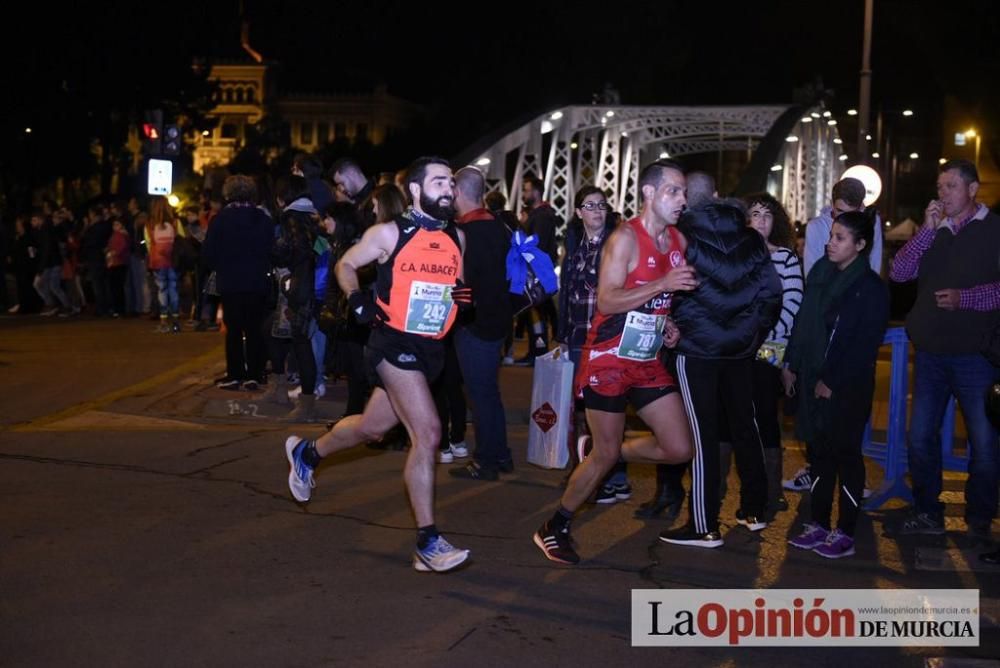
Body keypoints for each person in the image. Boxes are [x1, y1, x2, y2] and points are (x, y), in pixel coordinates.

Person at [284, 157, 473, 573]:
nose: (449, 188)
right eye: (440, 181)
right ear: (418, 192)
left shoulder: (458, 237)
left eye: (452, 183)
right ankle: (427, 541)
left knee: (372, 427)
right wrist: (355, 300)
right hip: (392, 344)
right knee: (428, 432)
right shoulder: (389, 232)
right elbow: (346, 264)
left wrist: (461, 299)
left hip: (431, 351)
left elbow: (451, 288)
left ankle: (308, 454)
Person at [533, 160, 696, 565]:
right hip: (607, 358)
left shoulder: (679, 242)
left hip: (645, 358)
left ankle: (610, 450)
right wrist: (662, 285)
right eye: (674, 191)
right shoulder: (624, 239)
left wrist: (667, 321)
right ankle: (555, 525)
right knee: (602, 458)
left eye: (684, 193)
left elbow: (655, 299)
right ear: (649, 193)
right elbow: (606, 301)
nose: (682, 200)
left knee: (679, 447)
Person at [889, 159, 1000, 544]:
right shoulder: (934, 231)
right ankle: (927, 510)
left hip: (976, 356)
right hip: (932, 353)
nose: (943, 194)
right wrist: (925, 232)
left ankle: (981, 517)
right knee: (920, 436)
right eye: (940, 187)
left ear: (972, 190)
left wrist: (965, 299)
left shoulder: (994, 230)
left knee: (984, 443)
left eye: (951, 186)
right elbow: (899, 273)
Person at [659, 199, 781, 549]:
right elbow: (772, 293)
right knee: (747, 424)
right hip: (740, 350)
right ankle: (755, 509)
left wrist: (678, 324)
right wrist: (753, 332)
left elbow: (669, 291)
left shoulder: (681, 238)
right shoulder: (753, 241)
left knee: (701, 435)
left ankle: (703, 524)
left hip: (695, 349)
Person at [785, 209, 889, 558]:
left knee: (845, 454)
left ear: (860, 245)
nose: (830, 243)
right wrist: (793, 363)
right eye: (832, 236)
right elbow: (805, 322)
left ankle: (845, 530)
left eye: (840, 238)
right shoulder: (822, 275)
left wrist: (832, 380)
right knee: (819, 452)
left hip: (847, 386)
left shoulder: (869, 288)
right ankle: (818, 523)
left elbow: (862, 344)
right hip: (814, 375)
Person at [553, 185, 631, 503]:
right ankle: (588, 472)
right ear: (578, 212)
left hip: (606, 337)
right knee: (582, 409)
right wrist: (562, 334)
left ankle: (615, 477)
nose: (597, 210)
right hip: (577, 336)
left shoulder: (617, 243)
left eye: (601, 205)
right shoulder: (574, 245)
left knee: (607, 409)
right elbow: (566, 292)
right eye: (590, 205)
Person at [446, 166, 514, 480]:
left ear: (457, 192)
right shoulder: (497, 225)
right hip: (498, 320)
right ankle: (500, 455)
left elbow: (463, 282)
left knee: (480, 394)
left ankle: (486, 460)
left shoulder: (467, 232)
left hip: (475, 324)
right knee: (489, 392)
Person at [745, 192, 802, 518]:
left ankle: (772, 490)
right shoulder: (739, 257)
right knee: (737, 419)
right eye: (755, 214)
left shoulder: (785, 258)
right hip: (738, 349)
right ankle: (728, 490)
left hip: (769, 347)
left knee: (766, 416)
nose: (762, 220)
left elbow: (793, 304)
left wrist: (765, 343)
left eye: (768, 215)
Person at [202, 175, 276, 390]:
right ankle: (255, 373)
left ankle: (235, 374)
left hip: (231, 281)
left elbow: (209, 254)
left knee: (234, 329)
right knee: (254, 329)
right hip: (257, 281)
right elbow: (271, 249)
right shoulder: (263, 219)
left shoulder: (220, 220)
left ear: (228, 193)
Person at [514, 175, 562, 364]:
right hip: (537, 272)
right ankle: (537, 351)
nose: (524, 194)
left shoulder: (541, 216)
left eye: (526, 190)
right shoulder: (541, 214)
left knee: (536, 312)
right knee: (536, 312)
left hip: (536, 273)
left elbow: (537, 245)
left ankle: (538, 352)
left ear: (535, 192)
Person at [803, 177, 883, 278]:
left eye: (851, 213)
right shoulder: (816, 227)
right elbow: (811, 273)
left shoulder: (872, 221)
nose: (844, 218)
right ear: (832, 204)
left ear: (861, 207)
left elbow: (875, 262)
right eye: (840, 211)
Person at [145, 197, 185, 333]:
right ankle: (175, 321)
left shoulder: (150, 224)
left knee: (162, 290)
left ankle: (163, 321)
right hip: (173, 260)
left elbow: (149, 243)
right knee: (173, 289)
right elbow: (181, 239)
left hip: (157, 260)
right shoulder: (175, 222)